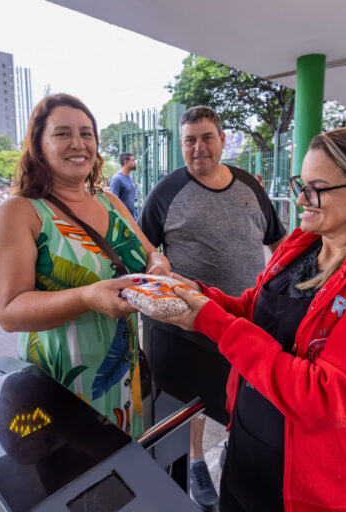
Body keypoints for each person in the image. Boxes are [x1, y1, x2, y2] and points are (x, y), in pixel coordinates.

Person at [148, 126, 346, 512]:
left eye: (318, 189)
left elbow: (326, 398)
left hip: (321, 484)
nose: (301, 198)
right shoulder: (306, 243)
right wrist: (197, 294)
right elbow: (255, 309)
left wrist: (212, 322)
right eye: (301, 184)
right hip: (250, 450)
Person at [0, 93, 170, 438]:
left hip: (123, 376)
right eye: (62, 133)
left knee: (126, 465)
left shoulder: (110, 201)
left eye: (86, 133)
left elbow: (152, 253)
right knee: (76, 468)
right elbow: (9, 311)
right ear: (38, 146)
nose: (78, 143)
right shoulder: (20, 211)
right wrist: (87, 297)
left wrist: (157, 267)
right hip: (59, 386)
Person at [138, 106, 286, 511]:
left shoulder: (248, 185)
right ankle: (197, 461)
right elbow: (144, 252)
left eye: (207, 138)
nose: (198, 147)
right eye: (190, 140)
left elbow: (278, 242)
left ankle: (235, 455)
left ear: (222, 140)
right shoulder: (166, 193)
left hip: (248, 319)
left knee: (248, 400)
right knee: (193, 402)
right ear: (181, 144)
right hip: (192, 325)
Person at [109, 153, 138, 219]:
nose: (135, 163)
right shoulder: (116, 179)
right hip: (123, 219)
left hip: (132, 218)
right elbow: (113, 202)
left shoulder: (130, 179)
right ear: (125, 162)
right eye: (133, 160)